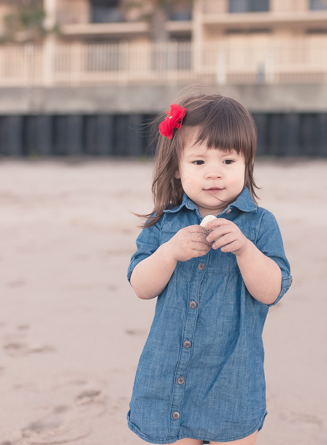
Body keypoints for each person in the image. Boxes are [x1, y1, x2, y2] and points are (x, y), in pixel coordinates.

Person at [126, 92, 293, 445]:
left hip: (231, 381)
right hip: (167, 375)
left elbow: (271, 291)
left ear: (247, 163)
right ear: (177, 167)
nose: (214, 173)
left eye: (228, 161)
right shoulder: (163, 224)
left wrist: (246, 251)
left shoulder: (260, 225)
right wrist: (169, 252)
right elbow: (141, 286)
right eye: (199, 162)